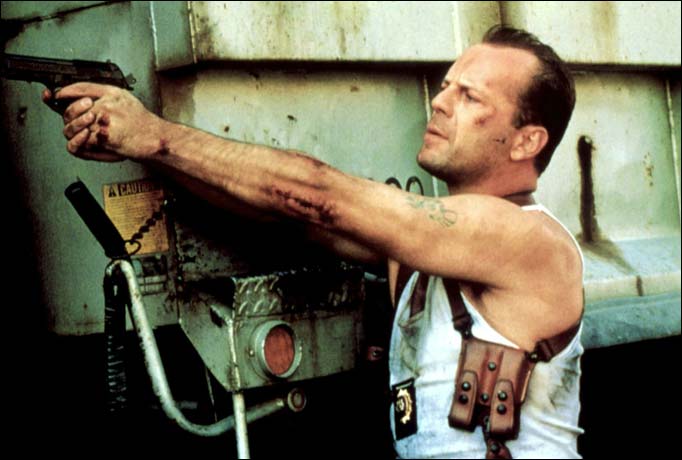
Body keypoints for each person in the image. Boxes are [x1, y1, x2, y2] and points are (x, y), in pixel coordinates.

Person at [45, 25, 583, 458]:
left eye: (469, 96)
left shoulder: (529, 238)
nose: (440, 103)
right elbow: (287, 214)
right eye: (446, 86)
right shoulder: (420, 251)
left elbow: (316, 197)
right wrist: (146, 151)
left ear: (527, 141)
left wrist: (156, 135)